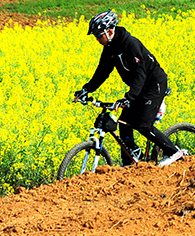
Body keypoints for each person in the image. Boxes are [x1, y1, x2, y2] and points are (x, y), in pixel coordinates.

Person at [73, 10, 185, 167]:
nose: (97, 39)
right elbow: (102, 72)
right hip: (138, 88)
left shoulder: (130, 44)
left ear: (110, 31)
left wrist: (129, 97)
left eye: (99, 35)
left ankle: (173, 152)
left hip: (153, 85)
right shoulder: (110, 48)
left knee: (142, 125)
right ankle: (129, 164)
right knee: (123, 122)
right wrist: (86, 90)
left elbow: (141, 74)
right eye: (95, 36)